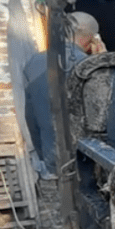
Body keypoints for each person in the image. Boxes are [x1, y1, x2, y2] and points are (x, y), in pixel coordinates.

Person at [23, 12, 105, 179]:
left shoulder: (33, 62)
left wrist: (44, 155)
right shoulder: (90, 67)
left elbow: (30, 116)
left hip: (53, 158)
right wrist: (103, 61)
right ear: (93, 39)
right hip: (86, 160)